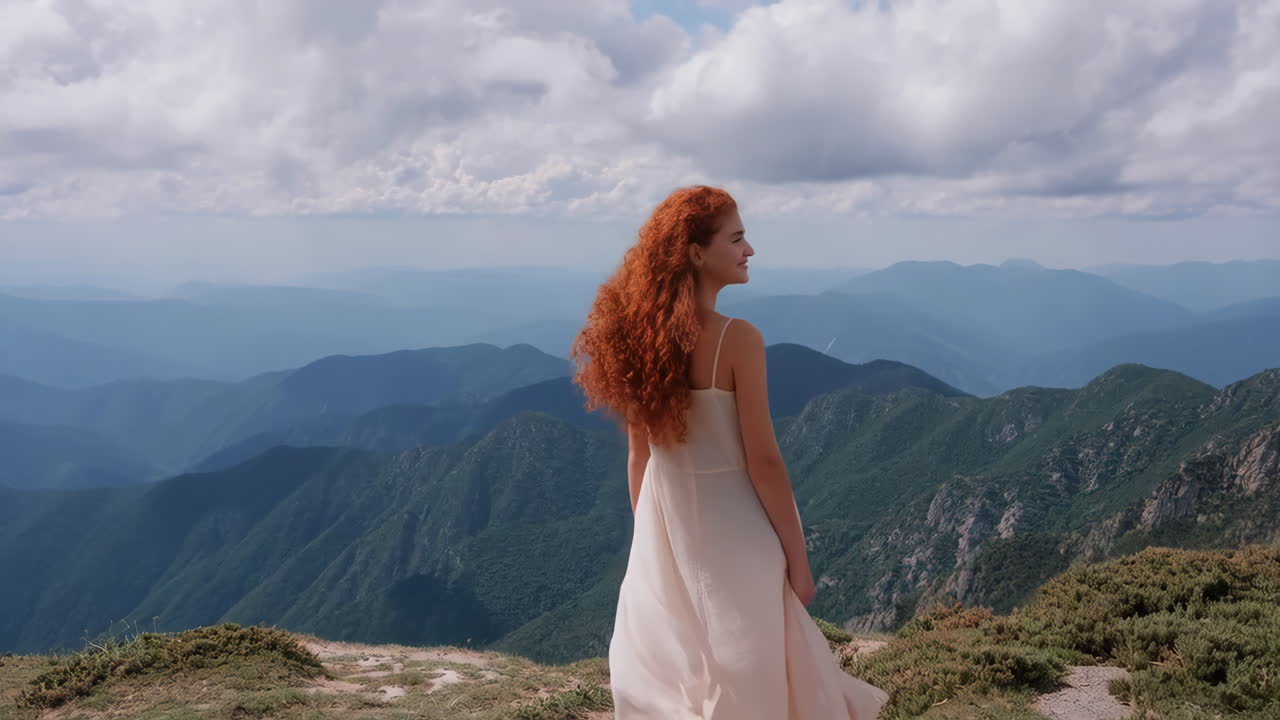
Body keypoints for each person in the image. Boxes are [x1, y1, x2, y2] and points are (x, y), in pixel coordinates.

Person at [570, 185, 891, 719]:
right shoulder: (737, 339)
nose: (750, 250)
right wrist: (798, 560)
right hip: (734, 530)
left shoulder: (636, 339)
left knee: (678, 663)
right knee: (756, 668)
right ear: (696, 252)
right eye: (737, 238)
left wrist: (651, 538)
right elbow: (764, 462)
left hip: (665, 520)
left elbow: (638, 454)